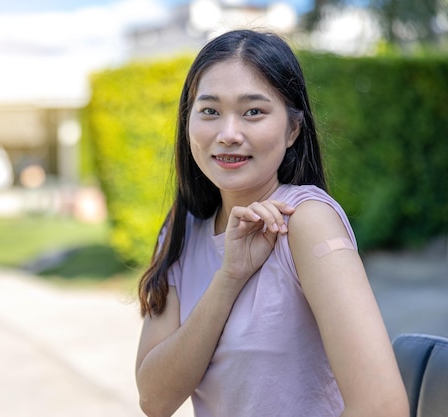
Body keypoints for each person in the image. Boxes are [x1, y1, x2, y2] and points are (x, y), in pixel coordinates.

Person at [135, 29, 408, 417]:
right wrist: (229, 278)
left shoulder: (307, 222)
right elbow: (154, 400)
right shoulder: (181, 229)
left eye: (253, 112)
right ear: (188, 121)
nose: (228, 135)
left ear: (293, 129)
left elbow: (382, 406)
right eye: (210, 111)